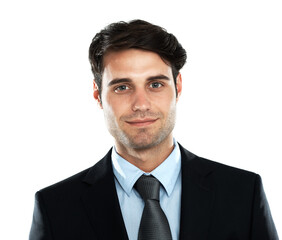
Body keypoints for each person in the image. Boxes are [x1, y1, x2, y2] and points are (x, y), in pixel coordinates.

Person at [29, 19, 278, 240]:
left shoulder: (243, 194)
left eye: (155, 84)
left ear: (178, 86)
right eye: (122, 87)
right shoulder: (55, 208)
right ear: (98, 95)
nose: (141, 105)